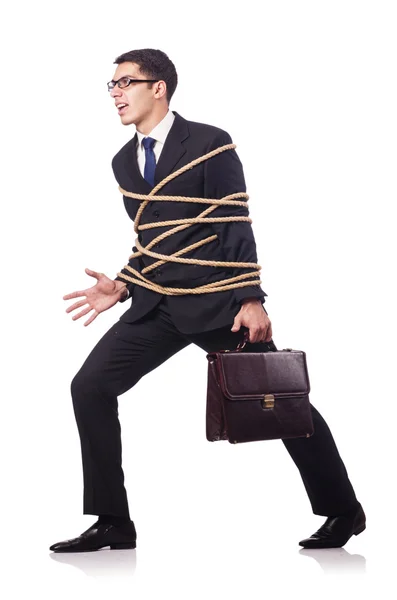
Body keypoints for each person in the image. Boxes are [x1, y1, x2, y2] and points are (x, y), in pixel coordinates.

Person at [49, 48, 365, 553]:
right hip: (156, 305)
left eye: (125, 82)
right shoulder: (122, 160)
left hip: (219, 305)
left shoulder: (209, 142)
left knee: (282, 400)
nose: (115, 94)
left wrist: (251, 298)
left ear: (159, 87)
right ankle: (113, 521)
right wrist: (125, 285)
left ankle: (344, 510)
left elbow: (231, 220)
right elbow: (156, 238)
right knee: (89, 387)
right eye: (110, 85)